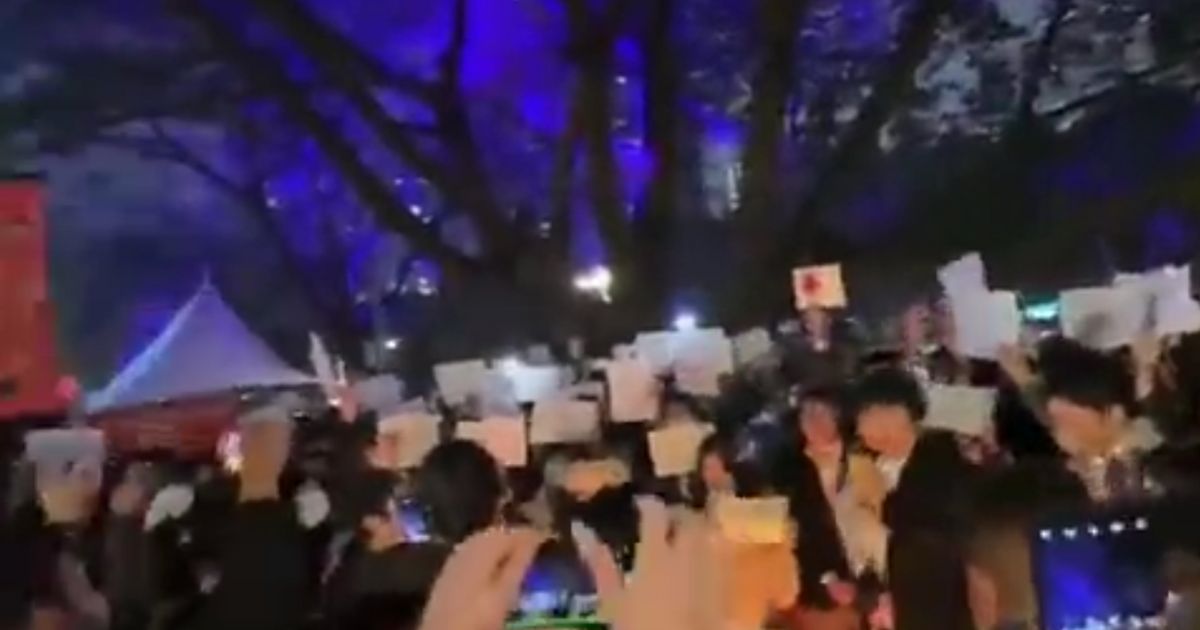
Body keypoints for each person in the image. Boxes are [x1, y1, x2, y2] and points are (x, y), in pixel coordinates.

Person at [853, 368, 978, 630]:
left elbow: (940, 528)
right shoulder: (869, 470)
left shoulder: (944, 461)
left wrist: (885, 508)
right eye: (867, 417)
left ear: (912, 413)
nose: (874, 427)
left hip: (942, 606)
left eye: (886, 414)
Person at [778, 387, 887, 630]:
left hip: (879, 579)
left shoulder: (865, 458)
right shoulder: (791, 471)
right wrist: (826, 579)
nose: (814, 421)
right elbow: (798, 533)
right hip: (826, 590)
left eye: (822, 412)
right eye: (806, 414)